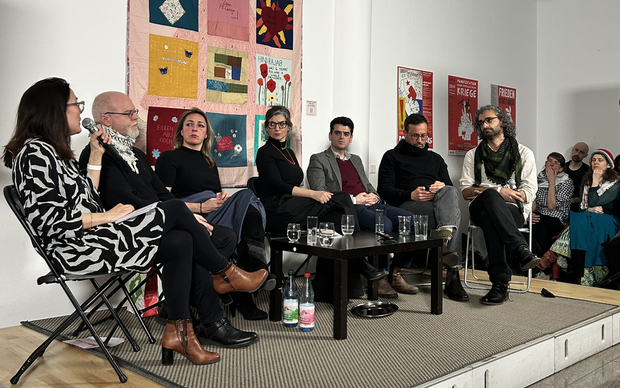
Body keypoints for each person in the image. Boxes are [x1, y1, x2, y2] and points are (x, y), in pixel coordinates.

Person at [3, 78, 267, 365]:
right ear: (53, 110)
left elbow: (86, 196)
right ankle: (226, 273)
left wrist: (96, 154)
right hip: (74, 250)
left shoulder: (58, 153)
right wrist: (106, 216)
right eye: (74, 104)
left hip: (94, 239)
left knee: (182, 241)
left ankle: (180, 333)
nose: (80, 110)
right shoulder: (34, 154)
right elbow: (51, 223)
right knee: (177, 210)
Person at [78, 91, 262, 347]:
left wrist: (183, 217)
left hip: (158, 222)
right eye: (129, 113)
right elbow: (124, 202)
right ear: (106, 120)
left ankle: (190, 315)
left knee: (221, 236)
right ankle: (217, 306)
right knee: (185, 239)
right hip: (130, 230)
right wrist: (182, 215)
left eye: (135, 112)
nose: (136, 117)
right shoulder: (98, 155)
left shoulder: (138, 156)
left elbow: (160, 194)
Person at [307, 116, 469, 300]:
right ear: (330, 135)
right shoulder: (319, 159)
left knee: (414, 221)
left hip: (373, 204)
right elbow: (320, 192)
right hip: (347, 207)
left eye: (346, 134)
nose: (342, 137)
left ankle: (397, 270)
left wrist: (373, 196)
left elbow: (370, 187)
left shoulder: (356, 160)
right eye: (337, 133)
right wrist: (354, 199)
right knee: (383, 224)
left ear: (351, 137)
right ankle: (381, 276)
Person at [254, 106, 386, 303]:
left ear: (288, 127)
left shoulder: (289, 152)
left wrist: (314, 196)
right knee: (341, 198)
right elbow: (278, 186)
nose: (277, 128)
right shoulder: (265, 153)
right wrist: (314, 194)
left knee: (337, 219)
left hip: (293, 205)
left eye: (281, 124)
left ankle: (329, 290)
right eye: (272, 124)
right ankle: (360, 263)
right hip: (276, 209)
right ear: (266, 128)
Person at [155, 107, 272, 320]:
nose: (194, 129)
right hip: (190, 214)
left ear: (206, 133)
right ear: (181, 131)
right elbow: (163, 201)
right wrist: (200, 208)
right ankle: (251, 280)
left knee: (246, 202)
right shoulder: (169, 158)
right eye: (189, 124)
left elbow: (215, 195)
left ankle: (248, 282)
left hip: (214, 210)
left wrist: (222, 199)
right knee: (245, 201)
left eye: (200, 126)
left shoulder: (209, 162)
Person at [378, 113, 467, 301]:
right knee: (453, 216)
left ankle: (444, 242)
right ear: (405, 133)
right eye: (415, 136)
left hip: (436, 204)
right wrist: (410, 194)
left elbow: (449, 187)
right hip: (407, 205)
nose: (420, 140)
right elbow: (384, 190)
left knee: (450, 192)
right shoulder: (392, 156)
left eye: (423, 136)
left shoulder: (435, 159)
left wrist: (440, 187)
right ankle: (452, 272)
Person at [460, 105, 538, 306]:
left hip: (513, 210)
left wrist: (505, 195)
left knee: (490, 217)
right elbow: (466, 192)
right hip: (480, 205)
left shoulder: (523, 153)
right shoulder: (473, 155)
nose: (484, 125)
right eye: (481, 123)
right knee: (491, 198)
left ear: (502, 122)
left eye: (489, 120)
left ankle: (500, 284)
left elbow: (529, 192)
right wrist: (496, 191)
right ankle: (520, 248)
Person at [566, 149, 620, 286]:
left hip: (609, 218)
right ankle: (579, 270)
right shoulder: (586, 181)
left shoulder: (616, 182)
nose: (596, 162)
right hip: (589, 216)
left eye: (600, 160)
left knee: (581, 219)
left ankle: (576, 266)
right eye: (594, 160)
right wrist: (589, 209)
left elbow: (595, 201)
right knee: (582, 217)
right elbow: (583, 207)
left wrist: (595, 181)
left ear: (608, 165)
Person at [531, 152, 573, 256]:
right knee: (529, 224)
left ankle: (539, 260)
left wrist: (552, 182)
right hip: (540, 214)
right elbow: (533, 202)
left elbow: (551, 206)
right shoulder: (538, 179)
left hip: (556, 218)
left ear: (561, 168)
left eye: (556, 162)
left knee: (541, 226)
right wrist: (529, 215)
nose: (551, 164)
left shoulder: (566, 182)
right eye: (550, 161)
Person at [566, 142, 589, 212]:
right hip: (560, 205)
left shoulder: (588, 171)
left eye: (581, 152)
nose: (577, 154)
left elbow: (589, 192)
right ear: (572, 150)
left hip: (578, 207)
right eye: (576, 150)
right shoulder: (562, 168)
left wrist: (574, 200)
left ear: (585, 155)